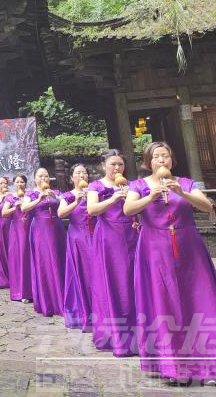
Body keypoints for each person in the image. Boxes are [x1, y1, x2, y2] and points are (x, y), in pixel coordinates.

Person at [126, 141, 216, 384]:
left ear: (172, 159)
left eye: (165, 156)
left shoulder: (186, 182)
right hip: (154, 250)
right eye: (156, 157)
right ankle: (175, 367)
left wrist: (180, 193)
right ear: (149, 162)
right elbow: (128, 210)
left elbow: (207, 206)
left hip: (189, 248)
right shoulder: (138, 185)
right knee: (165, 303)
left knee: (202, 300)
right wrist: (151, 197)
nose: (161, 160)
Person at [87, 149, 138, 357]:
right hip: (108, 237)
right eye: (113, 164)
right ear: (103, 165)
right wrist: (113, 198)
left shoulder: (131, 185)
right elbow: (92, 210)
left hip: (131, 235)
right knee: (112, 281)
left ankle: (138, 332)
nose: (117, 168)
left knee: (133, 280)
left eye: (120, 164)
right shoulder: (95, 186)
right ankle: (114, 334)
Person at [21, 167, 66, 317]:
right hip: (40, 229)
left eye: (46, 176)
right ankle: (49, 301)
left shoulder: (56, 192)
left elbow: (65, 205)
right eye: (40, 176)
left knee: (60, 260)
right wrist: (39, 199)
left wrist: (57, 198)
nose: (44, 179)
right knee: (45, 262)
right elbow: (24, 208)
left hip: (57, 229)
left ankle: (64, 300)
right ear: (35, 179)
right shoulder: (31, 194)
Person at [58, 164, 96, 331]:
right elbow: (61, 214)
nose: (82, 175)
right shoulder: (67, 196)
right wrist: (77, 201)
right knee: (81, 273)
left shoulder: (95, 192)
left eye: (85, 172)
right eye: (78, 173)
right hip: (77, 238)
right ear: (71, 177)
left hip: (96, 235)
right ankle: (83, 313)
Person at [3, 174, 32, 303]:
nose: (19, 184)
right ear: (14, 184)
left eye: (22, 182)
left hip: (30, 228)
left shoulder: (31, 195)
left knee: (30, 258)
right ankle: (19, 292)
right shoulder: (10, 198)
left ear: (25, 184)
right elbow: (4, 213)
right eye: (17, 182)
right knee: (18, 258)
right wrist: (16, 206)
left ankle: (32, 291)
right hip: (16, 230)